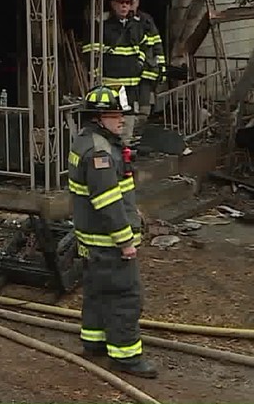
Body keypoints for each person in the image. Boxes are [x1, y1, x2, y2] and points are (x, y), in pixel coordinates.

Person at [67, 84, 158, 379]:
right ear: (97, 118)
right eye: (114, 114)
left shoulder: (86, 142)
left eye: (121, 113)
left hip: (92, 241)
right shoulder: (100, 154)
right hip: (108, 242)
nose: (121, 119)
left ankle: (94, 342)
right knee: (124, 296)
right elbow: (107, 202)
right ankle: (126, 356)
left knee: (97, 292)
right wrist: (125, 241)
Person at [81, 0, 146, 145]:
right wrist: (96, 78)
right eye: (120, 2)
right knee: (109, 126)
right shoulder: (101, 26)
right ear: (112, 3)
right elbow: (90, 54)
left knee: (127, 126)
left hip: (131, 88)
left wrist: (139, 65)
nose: (124, 6)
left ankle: (124, 158)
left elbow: (144, 49)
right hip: (110, 88)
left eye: (128, 2)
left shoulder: (137, 25)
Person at [131, 0, 164, 129]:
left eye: (135, 0)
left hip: (146, 71)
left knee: (144, 105)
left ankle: (139, 131)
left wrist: (161, 66)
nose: (132, 3)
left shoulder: (146, 20)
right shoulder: (117, 22)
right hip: (127, 73)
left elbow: (157, 43)